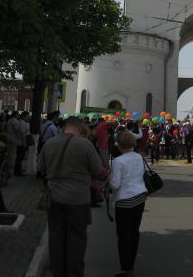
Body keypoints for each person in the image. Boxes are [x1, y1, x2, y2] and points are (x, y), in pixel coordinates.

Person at [38, 116, 107, 277]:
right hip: (77, 199)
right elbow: (98, 171)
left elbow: (40, 167)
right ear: (79, 128)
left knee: (56, 237)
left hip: (54, 198)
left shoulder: (50, 143)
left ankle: (58, 272)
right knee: (77, 239)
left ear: (65, 127)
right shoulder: (85, 145)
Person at [110, 131, 148, 277]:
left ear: (119, 145)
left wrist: (109, 177)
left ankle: (126, 268)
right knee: (134, 232)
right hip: (140, 197)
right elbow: (143, 173)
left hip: (124, 200)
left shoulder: (118, 161)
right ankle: (131, 262)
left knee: (123, 235)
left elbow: (115, 184)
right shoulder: (139, 157)